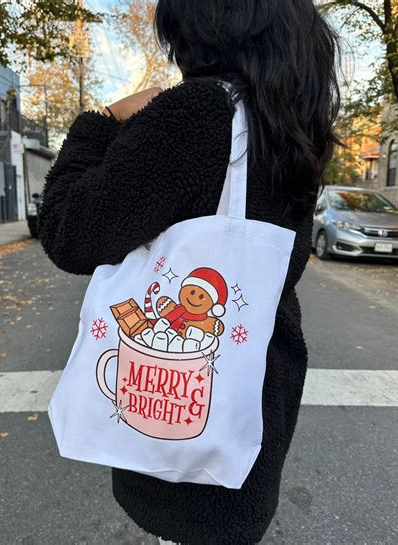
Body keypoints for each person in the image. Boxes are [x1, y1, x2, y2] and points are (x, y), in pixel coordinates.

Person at [38, 0, 340, 543]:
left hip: (179, 466)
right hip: (257, 406)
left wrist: (102, 123)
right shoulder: (291, 125)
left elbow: (68, 231)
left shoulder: (198, 114)